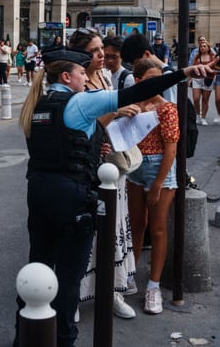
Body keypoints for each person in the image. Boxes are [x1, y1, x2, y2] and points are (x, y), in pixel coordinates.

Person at [17, 47, 214, 346]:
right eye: (82, 73)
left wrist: (95, 144)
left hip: (39, 192)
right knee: (69, 278)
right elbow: (139, 92)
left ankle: (26, 337)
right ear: (67, 76)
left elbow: (61, 144)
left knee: (37, 268)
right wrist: (184, 73)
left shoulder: (38, 104)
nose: (86, 79)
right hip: (72, 197)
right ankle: (63, 339)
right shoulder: (80, 103)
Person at [69, 29, 136, 320]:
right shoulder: (77, 81)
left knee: (113, 226)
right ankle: (73, 295)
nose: (101, 55)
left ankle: (113, 290)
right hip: (89, 161)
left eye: (102, 50)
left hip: (112, 159)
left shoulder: (107, 76)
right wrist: (116, 111)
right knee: (88, 228)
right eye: (95, 50)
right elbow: (84, 120)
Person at [125, 58, 181, 315]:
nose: (155, 85)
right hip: (135, 166)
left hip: (160, 168)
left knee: (157, 229)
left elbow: (171, 150)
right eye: (149, 80)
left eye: (159, 79)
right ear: (137, 81)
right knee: (136, 225)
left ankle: (153, 286)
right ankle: (130, 275)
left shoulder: (167, 108)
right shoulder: (131, 105)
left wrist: (158, 184)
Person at [120, 34, 177, 103]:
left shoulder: (167, 75)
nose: (134, 68)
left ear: (146, 54)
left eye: (135, 63)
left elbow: (171, 108)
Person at [191, 39, 218, 125]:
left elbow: (215, 67)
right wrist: (189, 79)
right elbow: (192, 68)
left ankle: (203, 118)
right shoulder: (197, 57)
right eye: (201, 46)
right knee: (196, 99)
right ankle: (198, 115)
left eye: (204, 46)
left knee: (205, 99)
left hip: (208, 79)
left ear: (208, 48)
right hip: (197, 79)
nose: (202, 48)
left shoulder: (212, 57)